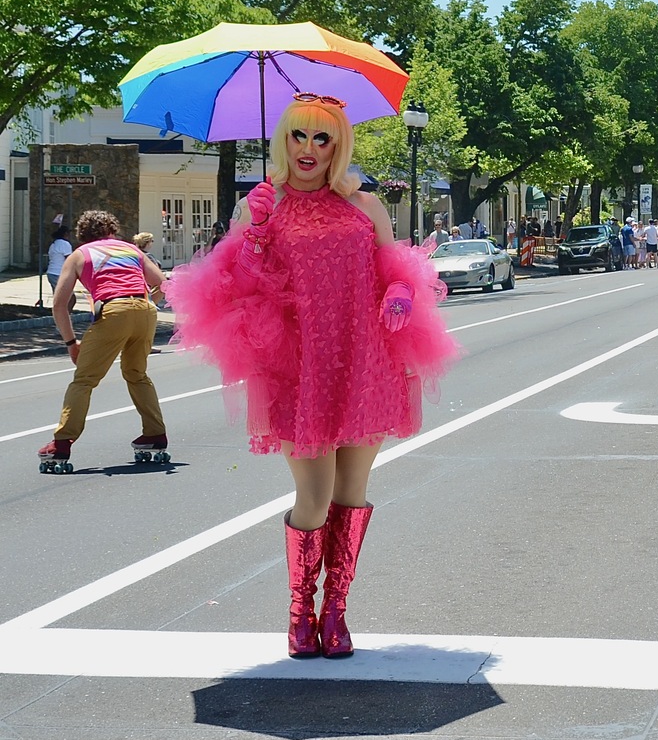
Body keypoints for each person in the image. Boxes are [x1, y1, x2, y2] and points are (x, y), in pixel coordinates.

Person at [167, 94, 458, 660]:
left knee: (352, 493)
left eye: (322, 138)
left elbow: (395, 271)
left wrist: (399, 295)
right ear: (283, 139)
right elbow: (236, 291)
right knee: (316, 495)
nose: (309, 149)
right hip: (298, 368)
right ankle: (300, 613)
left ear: (338, 145)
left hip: (365, 361)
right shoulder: (261, 204)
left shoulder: (366, 206)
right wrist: (252, 232)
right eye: (299, 136)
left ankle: (337, 613)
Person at [38, 210, 169, 470]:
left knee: (84, 380)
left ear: (83, 234)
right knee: (136, 373)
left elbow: (59, 304)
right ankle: (155, 434)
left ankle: (62, 442)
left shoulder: (79, 255)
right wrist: (145, 306)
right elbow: (162, 284)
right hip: (145, 310)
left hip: (113, 309)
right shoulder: (131, 249)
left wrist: (71, 343)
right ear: (112, 229)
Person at [46, 227, 73, 306]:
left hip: (51, 273)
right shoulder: (65, 244)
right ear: (65, 234)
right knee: (71, 299)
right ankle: (63, 317)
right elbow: (69, 260)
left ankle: (61, 316)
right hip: (58, 273)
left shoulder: (53, 244)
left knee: (59, 298)